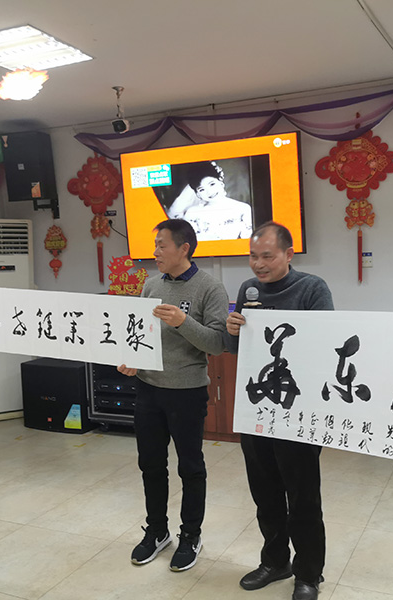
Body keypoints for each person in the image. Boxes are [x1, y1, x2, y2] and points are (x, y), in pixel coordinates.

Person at [224, 221, 333, 600]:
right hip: (257, 409)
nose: (258, 264)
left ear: (288, 254)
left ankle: (309, 573)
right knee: (265, 493)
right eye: (253, 256)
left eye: (267, 256)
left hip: (297, 411)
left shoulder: (312, 288)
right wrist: (233, 331)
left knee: (303, 497)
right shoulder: (248, 290)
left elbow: (325, 343)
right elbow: (236, 350)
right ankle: (275, 561)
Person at [118, 218, 228, 572]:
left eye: (161, 245)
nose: (155, 252)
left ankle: (191, 535)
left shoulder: (210, 288)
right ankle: (157, 531)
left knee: (190, 467)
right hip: (148, 389)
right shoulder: (151, 285)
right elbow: (141, 335)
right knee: (150, 464)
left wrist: (183, 321)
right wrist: (132, 360)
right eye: (155, 246)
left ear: (184, 248)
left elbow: (217, 343)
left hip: (187, 392)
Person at [182, 161, 253, 241]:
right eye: (202, 189)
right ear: (198, 194)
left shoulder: (243, 209)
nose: (209, 192)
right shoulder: (192, 213)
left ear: (220, 181)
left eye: (212, 184)